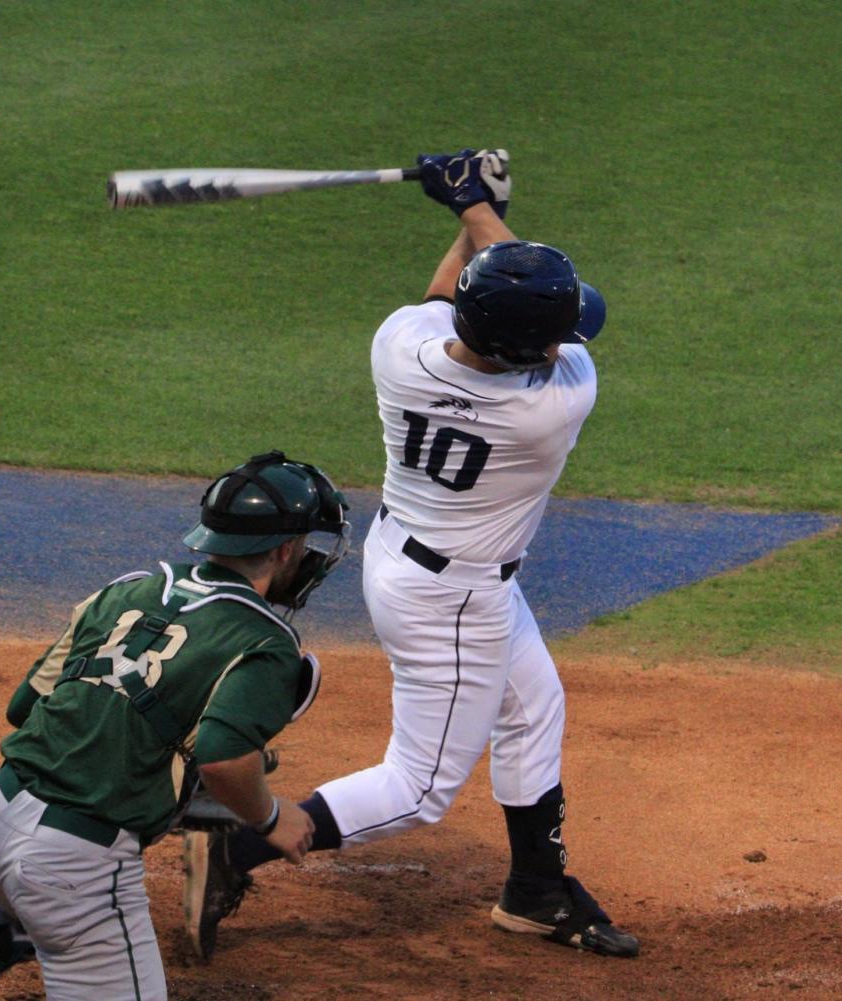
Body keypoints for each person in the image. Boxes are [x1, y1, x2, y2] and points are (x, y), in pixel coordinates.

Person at [203, 149, 639, 958]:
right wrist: (473, 204)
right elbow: (497, 293)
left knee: (532, 705)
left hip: (409, 557)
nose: (566, 340)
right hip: (457, 598)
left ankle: (536, 889)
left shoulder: (398, 349)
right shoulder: (553, 404)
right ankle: (235, 847)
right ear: (534, 351)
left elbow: (454, 298)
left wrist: (472, 210)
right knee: (419, 788)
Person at [0, 451, 350, 1001]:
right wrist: (268, 817)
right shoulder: (266, 642)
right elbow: (222, 758)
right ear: (286, 549)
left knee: (29, 882)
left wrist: (137, 739)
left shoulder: (127, 588)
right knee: (51, 887)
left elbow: (26, 707)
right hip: (72, 865)